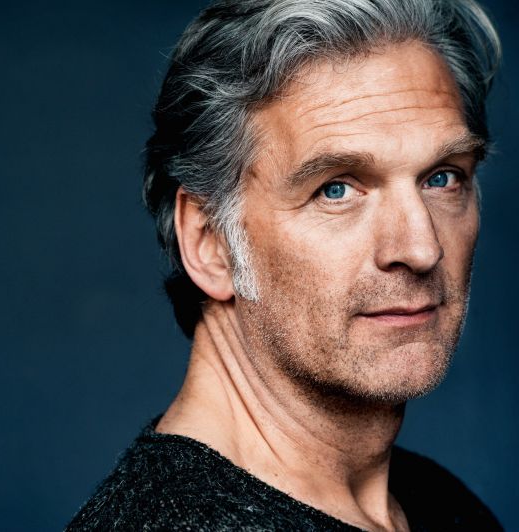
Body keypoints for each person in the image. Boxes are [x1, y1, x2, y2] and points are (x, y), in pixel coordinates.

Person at [68, 0, 503, 530]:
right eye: (336, 189)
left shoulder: (440, 503)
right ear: (210, 242)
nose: (421, 248)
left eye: (442, 177)